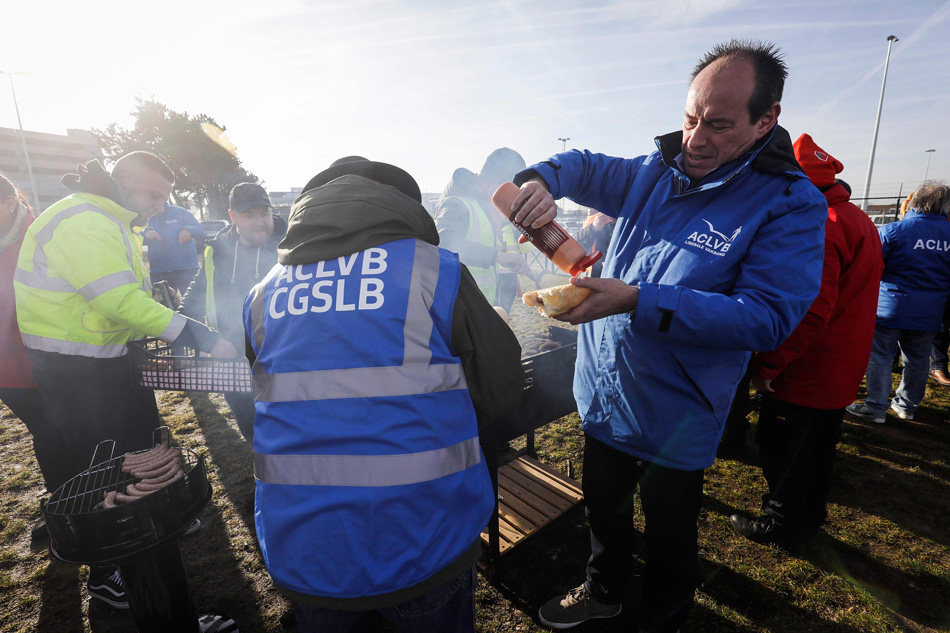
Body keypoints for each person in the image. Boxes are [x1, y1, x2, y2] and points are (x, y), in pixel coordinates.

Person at [508, 40, 827, 632]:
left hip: (676, 408)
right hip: (603, 392)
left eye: (719, 125)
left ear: (767, 120)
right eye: (689, 118)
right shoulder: (657, 169)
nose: (696, 139)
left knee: (670, 528)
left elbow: (766, 315)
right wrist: (541, 178)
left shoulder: (790, 202)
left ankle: (665, 609)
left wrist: (636, 300)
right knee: (604, 508)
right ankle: (603, 590)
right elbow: (585, 165)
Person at [242, 157, 524, 633]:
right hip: (421, 539)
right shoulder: (433, 269)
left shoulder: (263, 293)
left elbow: (277, 393)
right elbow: (500, 390)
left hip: (306, 549)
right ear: (400, 205)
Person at [14, 152, 237, 609]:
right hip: (75, 369)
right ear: (127, 180)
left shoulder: (118, 222)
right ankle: (107, 571)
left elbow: (129, 298)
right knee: (98, 469)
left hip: (110, 360)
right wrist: (193, 333)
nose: (160, 205)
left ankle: (151, 519)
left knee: (138, 447)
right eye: (155, 194)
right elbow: (116, 299)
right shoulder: (84, 218)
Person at [729, 134, 883, 554]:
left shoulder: (822, 224)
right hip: (842, 360)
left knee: (784, 448)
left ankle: (784, 525)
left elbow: (812, 310)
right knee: (818, 449)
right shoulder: (856, 218)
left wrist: (770, 366)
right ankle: (808, 516)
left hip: (808, 367)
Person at [180, 182, 286, 443]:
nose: (260, 222)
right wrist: (185, 326)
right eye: (249, 215)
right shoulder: (217, 250)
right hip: (232, 351)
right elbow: (198, 291)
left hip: (282, 351)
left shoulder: (290, 245)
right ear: (233, 216)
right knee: (249, 422)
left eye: (264, 213)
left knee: (285, 422)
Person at [0, 171, 73, 527]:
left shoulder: (42, 234)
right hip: (7, 370)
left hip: (51, 359)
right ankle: (63, 504)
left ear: (11, 202)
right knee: (45, 434)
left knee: (73, 432)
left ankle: (92, 502)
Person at [847, 181, 950, 424]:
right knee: (917, 360)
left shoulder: (893, 231)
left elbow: (870, 267)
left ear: (917, 202)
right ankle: (907, 406)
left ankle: (875, 407)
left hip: (890, 308)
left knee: (880, 357)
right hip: (930, 311)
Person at [435, 148, 529, 311]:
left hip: (478, 308)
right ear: (502, 185)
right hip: (457, 309)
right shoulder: (458, 203)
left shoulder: (485, 208)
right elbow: (443, 242)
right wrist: (495, 256)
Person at [140, 201, 203, 294]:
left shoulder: (180, 212)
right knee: (164, 305)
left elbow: (200, 230)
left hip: (186, 270)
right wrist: (145, 232)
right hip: (159, 272)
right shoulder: (144, 217)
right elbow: (134, 234)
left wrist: (188, 229)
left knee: (194, 305)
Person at [574, 210, 615, 278]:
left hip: (612, 274)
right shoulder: (595, 219)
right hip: (590, 272)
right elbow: (575, 243)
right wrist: (593, 228)